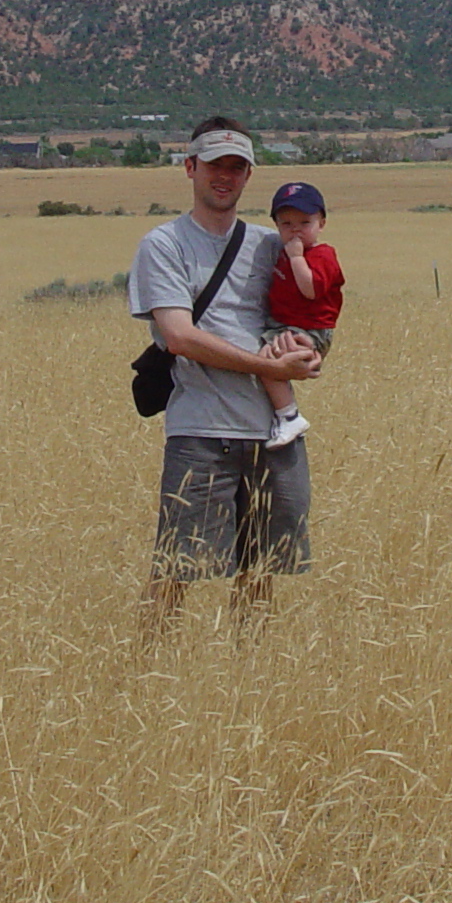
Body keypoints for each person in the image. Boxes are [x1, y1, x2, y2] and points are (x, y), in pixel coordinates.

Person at [128, 116, 322, 631]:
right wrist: (269, 366)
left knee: (261, 572)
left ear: (249, 176)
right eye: (215, 165)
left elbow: (304, 313)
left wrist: (309, 351)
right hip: (200, 431)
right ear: (190, 167)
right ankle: (145, 671)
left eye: (237, 167)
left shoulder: (271, 244)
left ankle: (248, 680)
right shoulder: (164, 245)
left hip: (270, 433)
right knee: (175, 569)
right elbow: (179, 336)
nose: (226, 176)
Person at [257, 180, 343, 448]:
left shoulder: (321, 255)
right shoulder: (282, 252)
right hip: (285, 325)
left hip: (311, 328)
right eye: (286, 224)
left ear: (322, 223)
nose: (296, 232)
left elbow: (311, 290)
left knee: (266, 362)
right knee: (266, 360)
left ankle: (289, 416)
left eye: (304, 223)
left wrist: (296, 259)